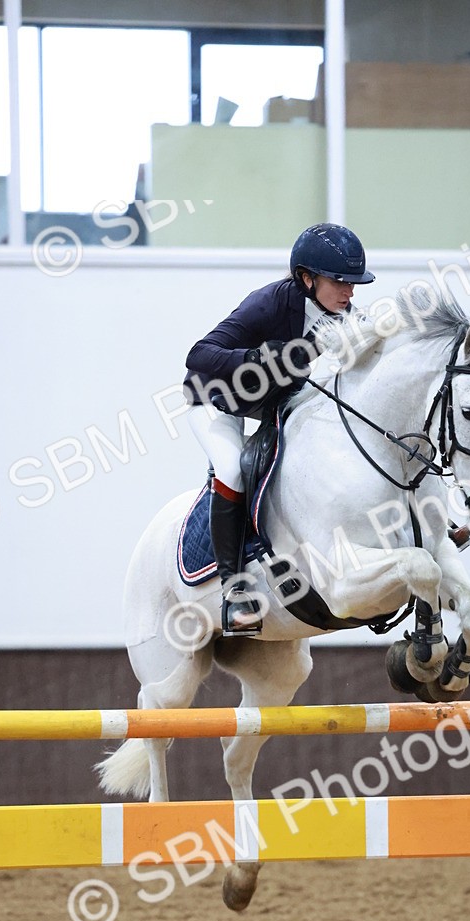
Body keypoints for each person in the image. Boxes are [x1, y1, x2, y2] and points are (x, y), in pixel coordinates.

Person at [183, 223, 375, 635]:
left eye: (353, 283)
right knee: (232, 468)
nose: (350, 292)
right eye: (340, 281)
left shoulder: (346, 317)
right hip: (217, 399)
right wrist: (257, 357)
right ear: (307, 279)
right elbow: (199, 354)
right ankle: (234, 591)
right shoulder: (269, 304)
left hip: (273, 400)